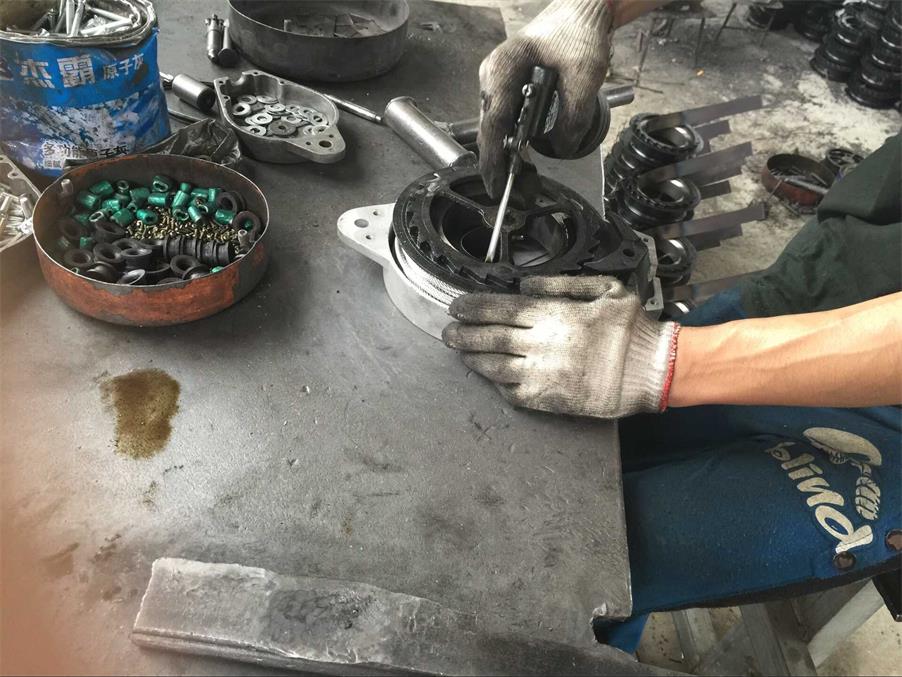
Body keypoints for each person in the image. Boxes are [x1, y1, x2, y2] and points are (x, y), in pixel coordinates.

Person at [446, 0, 902, 652]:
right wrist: (594, 11)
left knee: (578, 568)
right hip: (835, 277)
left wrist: (664, 363)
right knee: (549, 460)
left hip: (891, 427)